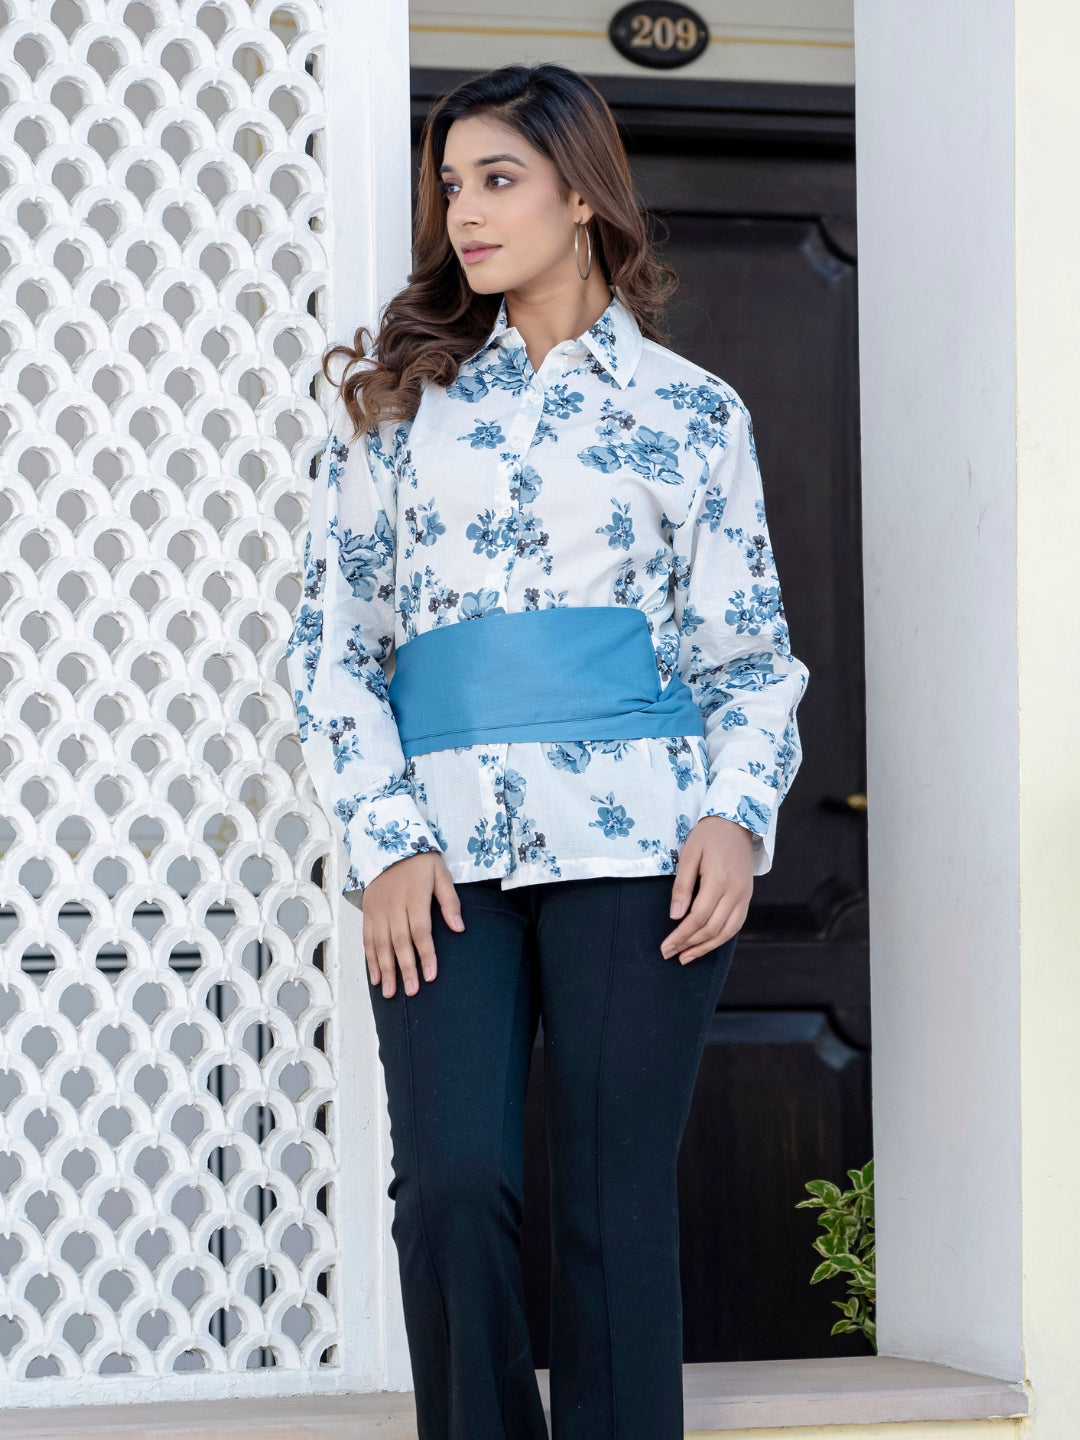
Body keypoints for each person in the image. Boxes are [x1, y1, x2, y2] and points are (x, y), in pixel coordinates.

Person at [286, 61, 808, 1440]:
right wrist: (387, 840)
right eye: (451, 184)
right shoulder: (397, 413)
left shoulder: (695, 417)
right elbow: (334, 652)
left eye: (498, 179)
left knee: (612, 1204)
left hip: (644, 851)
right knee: (452, 1185)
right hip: (440, 856)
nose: (463, 211)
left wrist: (736, 817)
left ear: (582, 195)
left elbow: (749, 661)